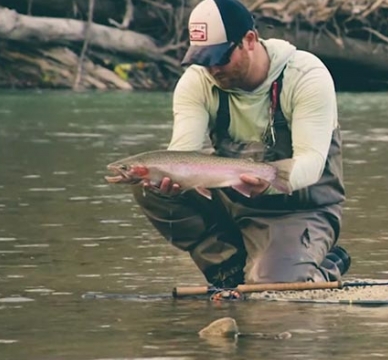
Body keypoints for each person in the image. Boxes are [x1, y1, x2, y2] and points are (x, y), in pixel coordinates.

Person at [131, 0, 350, 289]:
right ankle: (229, 270)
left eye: (220, 57)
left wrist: (269, 182)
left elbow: (311, 163)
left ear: (249, 40)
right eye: (203, 59)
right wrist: (170, 179)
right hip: (232, 199)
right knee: (147, 179)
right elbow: (182, 154)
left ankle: (324, 266)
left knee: (274, 297)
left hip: (299, 209)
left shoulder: (306, 75)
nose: (212, 69)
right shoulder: (197, 81)